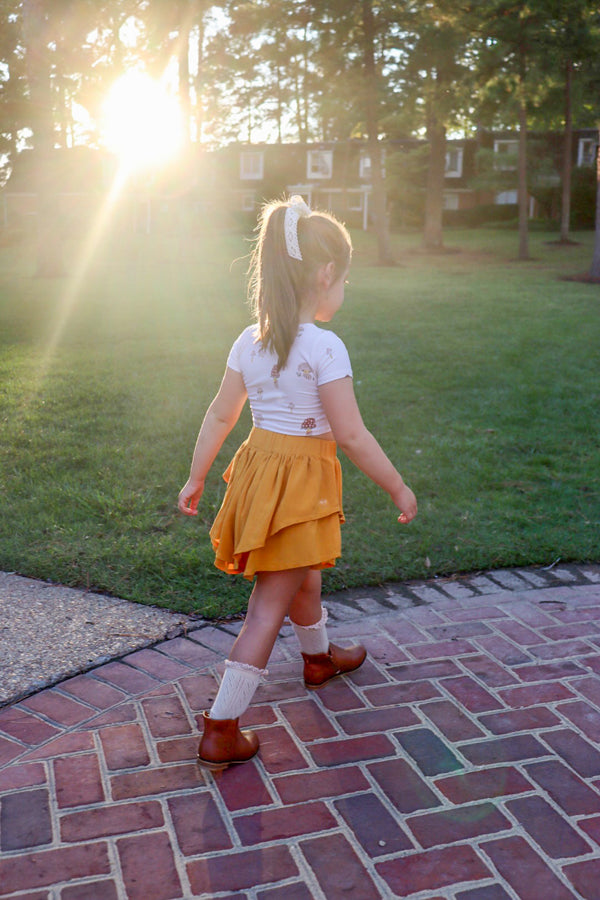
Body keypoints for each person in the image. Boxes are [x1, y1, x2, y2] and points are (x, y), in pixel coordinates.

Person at [178, 195, 417, 771]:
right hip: (299, 483)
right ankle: (222, 725)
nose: (344, 291)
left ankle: (318, 660)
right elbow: (352, 435)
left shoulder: (249, 338)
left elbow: (219, 414)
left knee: (302, 573)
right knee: (269, 604)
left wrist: (198, 474)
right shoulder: (325, 347)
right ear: (326, 275)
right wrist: (397, 486)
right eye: (345, 281)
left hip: (261, 470)